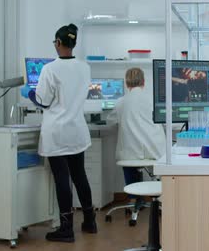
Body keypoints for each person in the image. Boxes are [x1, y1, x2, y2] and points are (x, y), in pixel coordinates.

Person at [23, 23, 96, 243]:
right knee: (79, 175)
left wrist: (30, 93)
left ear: (58, 43)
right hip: (77, 131)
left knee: (62, 178)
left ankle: (66, 229)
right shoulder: (84, 67)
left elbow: (44, 101)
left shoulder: (50, 69)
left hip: (57, 132)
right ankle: (90, 221)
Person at [107, 67, 165, 205]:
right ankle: (159, 198)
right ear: (144, 82)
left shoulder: (121, 102)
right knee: (159, 167)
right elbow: (164, 119)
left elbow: (110, 121)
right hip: (155, 152)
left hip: (130, 155)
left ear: (126, 84)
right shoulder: (152, 100)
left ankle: (134, 199)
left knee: (129, 163)